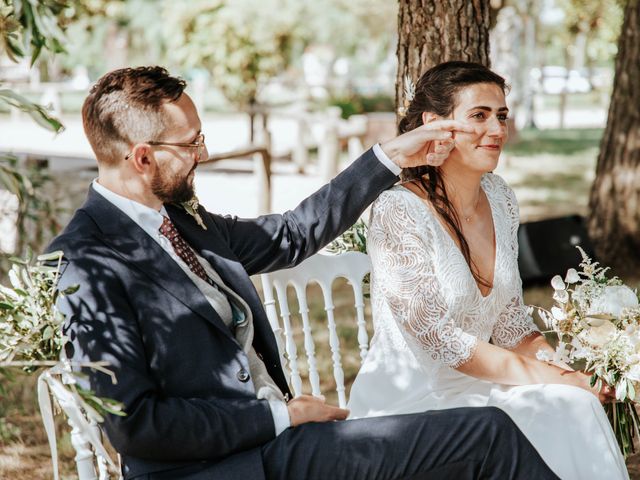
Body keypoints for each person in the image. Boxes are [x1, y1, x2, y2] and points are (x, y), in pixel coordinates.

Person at [48, 66, 559, 480]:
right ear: (142, 157)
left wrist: (389, 158)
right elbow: (134, 425)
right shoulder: (87, 262)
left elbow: (293, 234)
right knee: (486, 434)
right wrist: (279, 416)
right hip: (220, 467)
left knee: (483, 432)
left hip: (285, 444)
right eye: (192, 143)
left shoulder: (180, 220)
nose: (202, 155)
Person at [347, 61, 629, 480]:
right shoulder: (398, 211)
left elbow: (511, 321)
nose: (497, 131)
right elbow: (445, 343)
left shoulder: (499, 197)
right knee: (567, 402)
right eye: (478, 116)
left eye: (501, 116)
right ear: (435, 125)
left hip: (480, 384)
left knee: (575, 402)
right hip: (412, 399)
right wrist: (556, 380)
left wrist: (566, 373)